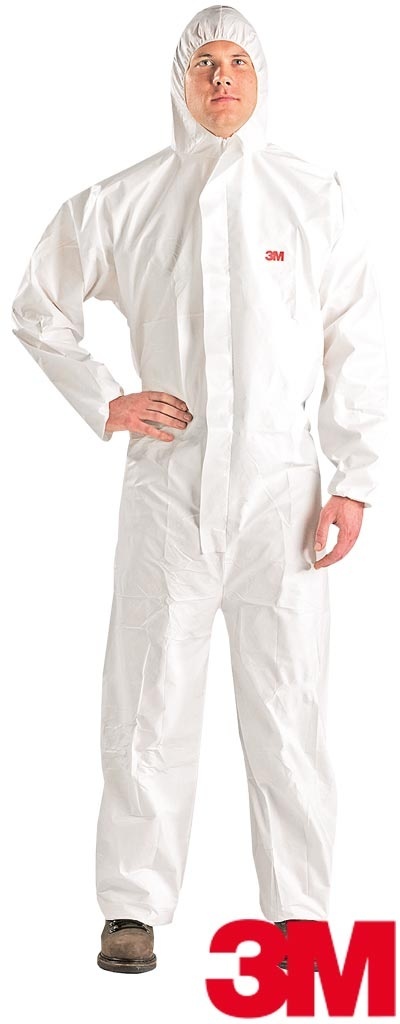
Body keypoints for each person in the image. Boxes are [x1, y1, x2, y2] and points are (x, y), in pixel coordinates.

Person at [11, 4, 388, 976]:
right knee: (148, 697)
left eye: (237, 62)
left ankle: (299, 915)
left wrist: (354, 478)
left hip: (282, 494)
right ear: (180, 80)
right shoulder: (125, 200)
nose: (222, 78)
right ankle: (131, 906)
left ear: (261, 78)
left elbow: (355, 340)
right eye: (205, 63)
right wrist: (107, 399)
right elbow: (37, 307)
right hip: (170, 492)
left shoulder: (313, 196)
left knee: (290, 703)